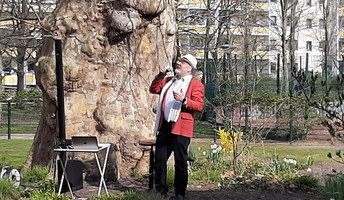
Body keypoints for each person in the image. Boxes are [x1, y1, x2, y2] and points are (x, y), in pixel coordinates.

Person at [149, 54, 204, 200]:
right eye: (179, 61)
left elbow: (199, 106)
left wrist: (184, 100)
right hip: (165, 126)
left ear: (189, 69)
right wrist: (160, 75)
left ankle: (180, 194)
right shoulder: (168, 81)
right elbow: (154, 89)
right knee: (160, 160)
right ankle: (161, 191)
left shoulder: (196, 84)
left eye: (183, 62)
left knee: (180, 162)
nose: (179, 63)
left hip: (181, 127)